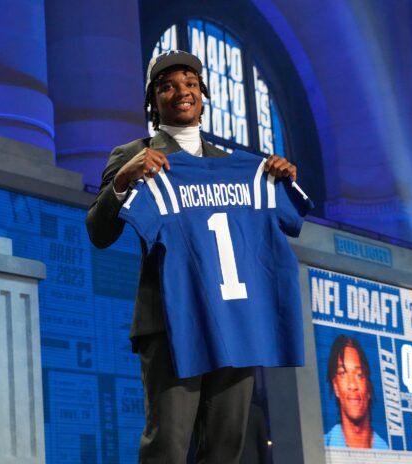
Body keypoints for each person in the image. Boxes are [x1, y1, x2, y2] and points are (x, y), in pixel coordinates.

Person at [86, 50, 298, 463]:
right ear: (153, 100)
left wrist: (282, 179)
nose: (181, 92)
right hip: (170, 320)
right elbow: (99, 232)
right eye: (167, 86)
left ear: (203, 95)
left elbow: (282, 219)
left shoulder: (242, 167)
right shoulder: (133, 153)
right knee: (168, 443)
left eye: (190, 84)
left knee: (225, 445)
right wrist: (126, 178)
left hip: (235, 319)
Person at [324, 335, 388, 449]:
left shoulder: (390, 454)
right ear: (336, 387)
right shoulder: (321, 446)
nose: (352, 385)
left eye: (359, 375)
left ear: (368, 387)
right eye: (343, 373)